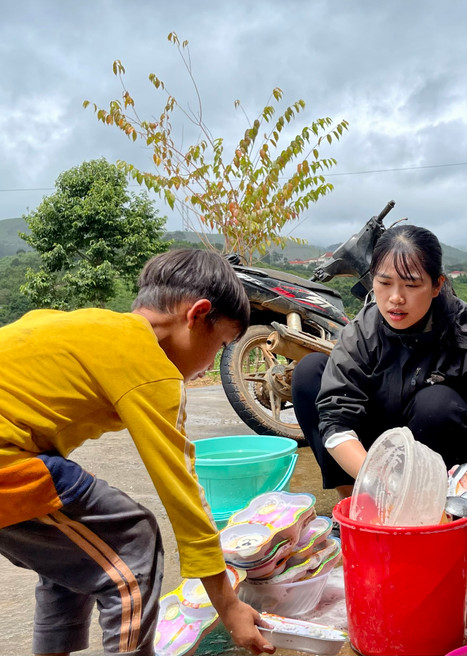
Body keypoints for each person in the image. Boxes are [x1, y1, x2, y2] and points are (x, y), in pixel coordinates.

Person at [0, 249, 275, 656]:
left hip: (15, 456)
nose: (210, 365)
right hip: (8, 464)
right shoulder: (151, 367)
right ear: (197, 314)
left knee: (77, 556)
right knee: (134, 541)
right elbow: (181, 491)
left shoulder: (85, 324)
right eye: (219, 345)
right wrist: (229, 606)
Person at [292, 224, 467, 500]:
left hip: (433, 447)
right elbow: (336, 420)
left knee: (438, 403)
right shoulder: (362, 332)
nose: (395, 298)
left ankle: (432, 497)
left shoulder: (465, 333)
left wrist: (466, 475)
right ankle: (354, 500)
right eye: (385, 283)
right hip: (373, 450)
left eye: (411, 285)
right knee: (310, 372)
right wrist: (373, 479)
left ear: (436, 285)